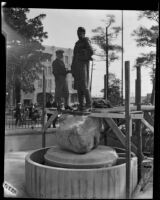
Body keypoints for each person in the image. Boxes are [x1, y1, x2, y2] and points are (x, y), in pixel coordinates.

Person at [71, 27, 93, 112]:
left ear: (83, 33)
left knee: (84, 85)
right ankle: (81, 105)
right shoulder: (77, 43)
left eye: (80, 32)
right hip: (76, 66)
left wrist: (82, 54)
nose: (78, 34)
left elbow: (90, 51)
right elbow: (74, 56)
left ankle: (89, 104)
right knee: (79, 87)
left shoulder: (86, 41)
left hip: (83, 65)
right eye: (77, 32)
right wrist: (72, 67)